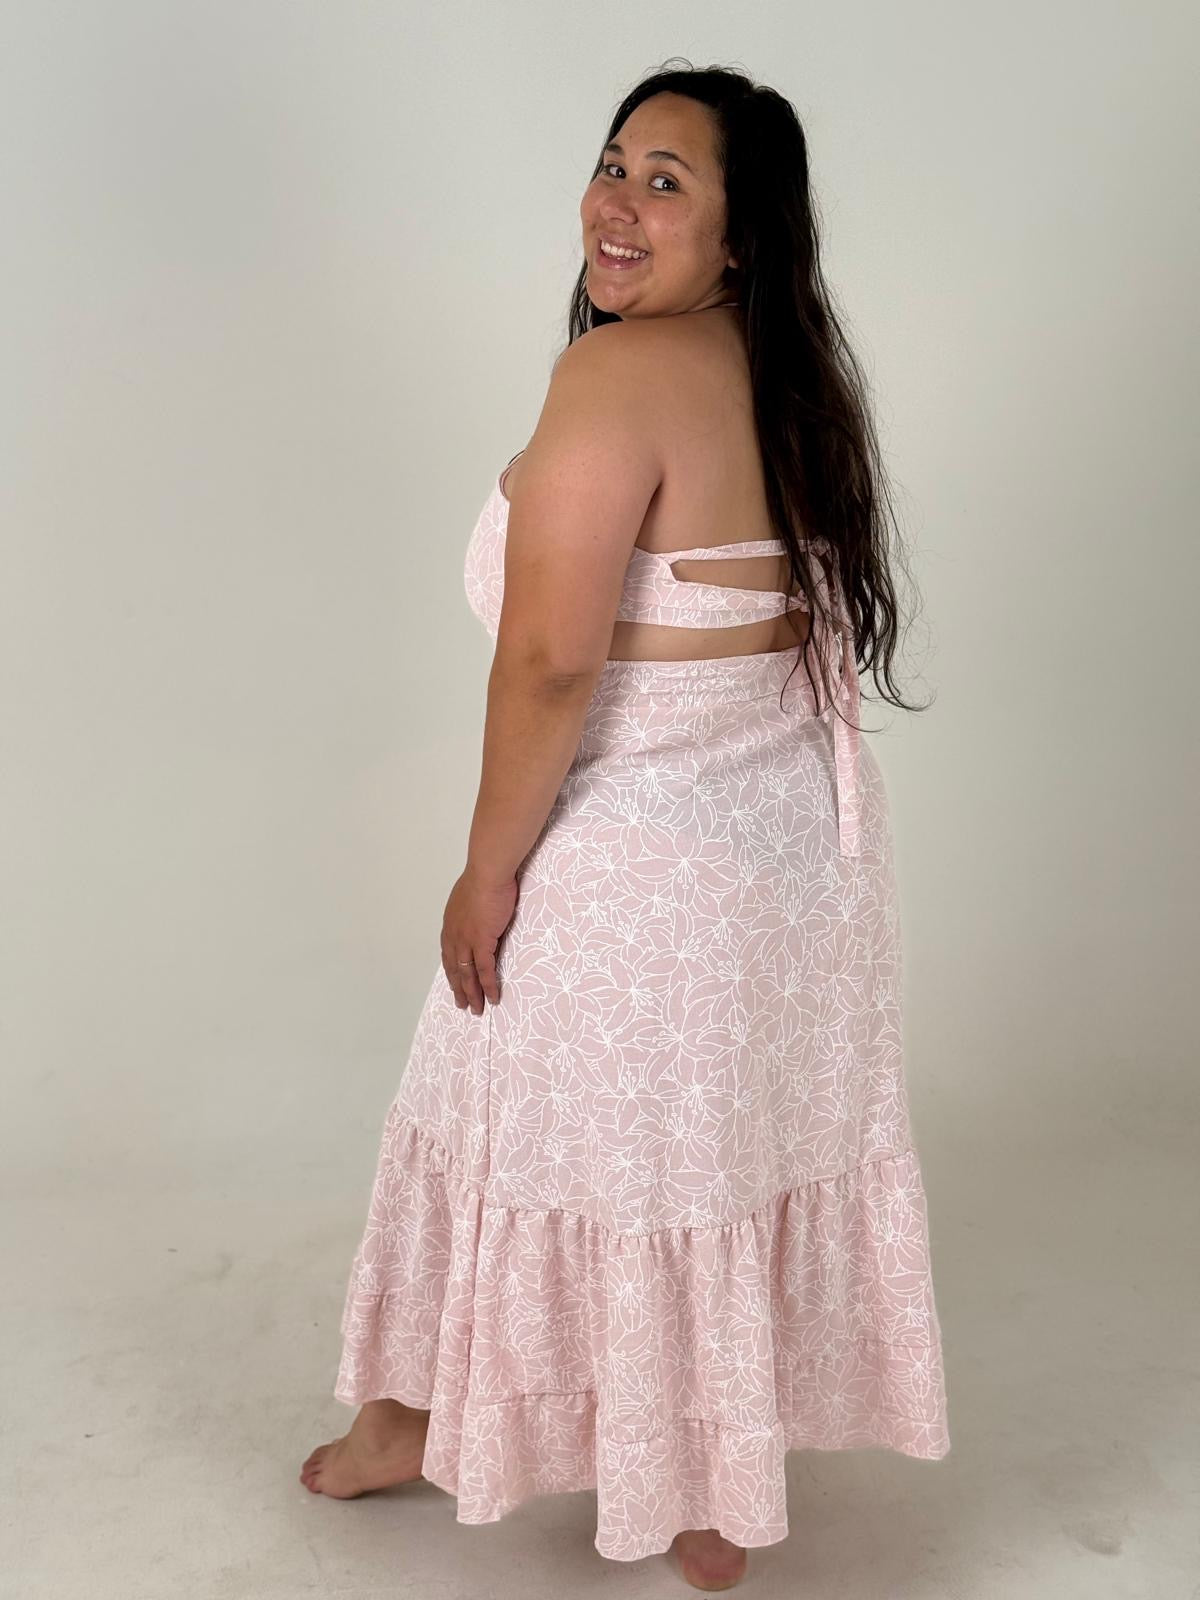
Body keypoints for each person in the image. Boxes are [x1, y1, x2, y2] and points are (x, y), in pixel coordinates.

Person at [301, 63, 950, 1592]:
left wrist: (488, 873)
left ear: (741, 234)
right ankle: (711, 1493)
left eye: (668, 181)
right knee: (702, 1166)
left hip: (645, 863)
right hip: (790, 866)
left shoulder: (614, 378)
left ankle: (418, 1422)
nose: (619, 203)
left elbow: (549, 660)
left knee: (492, 1099)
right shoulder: (787, 379)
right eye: (613, 164)